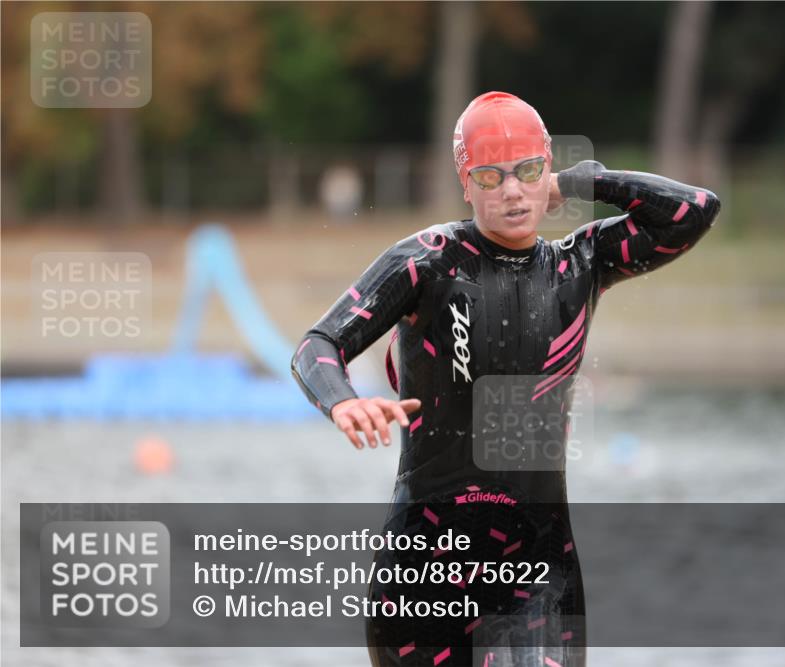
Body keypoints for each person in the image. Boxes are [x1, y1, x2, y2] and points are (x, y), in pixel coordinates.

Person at [291, 91, 721, 666]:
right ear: (466, 184)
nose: (513, 191)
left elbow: (694, 210)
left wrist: (580, 183)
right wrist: (342, 403)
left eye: (528, 171)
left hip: (538, 568)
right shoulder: (428, 260)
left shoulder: (582, 262)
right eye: (491, 177)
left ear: (547, 170)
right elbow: (318, 345)